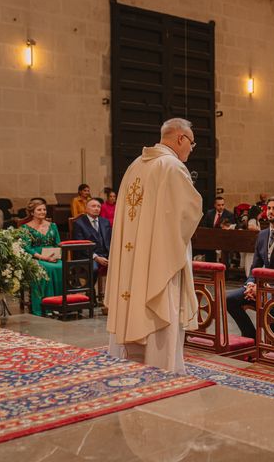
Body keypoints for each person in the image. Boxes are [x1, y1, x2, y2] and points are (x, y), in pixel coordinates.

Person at [106, 117, 203, 374]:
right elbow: (188, 213)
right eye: (191, 143)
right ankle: (163, 367)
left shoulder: (135, 165)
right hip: (160, 257)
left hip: (134, 256)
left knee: (134, 297)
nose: (192, 149)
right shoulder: (172, 167)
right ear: (180, 138)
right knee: (162, 303)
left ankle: (129, 360)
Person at [225, 196, 274, 339]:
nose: (270, 212)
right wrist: (250, 283)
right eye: (269, 208)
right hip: (262, 287)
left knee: (266, 300)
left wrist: (264, 286)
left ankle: (273, 340)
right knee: (229, 299)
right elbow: (255, 266)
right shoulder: (262, 235)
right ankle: (250, 335)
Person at [20, 201, 62, 316]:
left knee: (62, 266)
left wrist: (56, 255)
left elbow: (58, 243)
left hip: (52, 256)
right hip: (35, 257)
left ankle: (59, 304)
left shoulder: (52, 225)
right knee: (46, 268)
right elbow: (26, 248)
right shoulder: (25, 227)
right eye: (39, 210)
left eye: (44, 209)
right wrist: (42, 257)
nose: (42, 212)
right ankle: (45, 306)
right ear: (32, 212)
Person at [72, 198, 112, 275]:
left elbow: (110, 240)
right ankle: (91, 287)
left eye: (98, 206)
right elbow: (80, 246)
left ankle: (113, 287)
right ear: (86, 209)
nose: (96, 209)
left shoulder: (105, 222)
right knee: (93, 269)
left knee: (122, 264)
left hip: (106, 254)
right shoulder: (79, 223)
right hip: (88, 255)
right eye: (93, 206)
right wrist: (96, 257)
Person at [242, 205, 263, 277]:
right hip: (251, 244)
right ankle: (249, 275)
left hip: (255, 244)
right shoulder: (252, 220)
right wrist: (260, 231)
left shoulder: (257, 221)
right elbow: (250, 227)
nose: (261, 215)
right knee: (250, 260)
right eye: (260, 214)